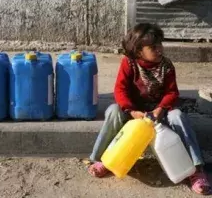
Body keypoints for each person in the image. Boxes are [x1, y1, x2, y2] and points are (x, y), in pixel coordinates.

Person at [88, 23, 211, 195]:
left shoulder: (166, 66)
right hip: (134, 112)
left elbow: (172, 92)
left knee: (178, 116)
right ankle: (103, 160)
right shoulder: (128, 64)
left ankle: (197, 170)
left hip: (160, 112)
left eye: (160, 44)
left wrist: (160, 109)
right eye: (153, 47)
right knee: (113, 111)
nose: (159, 49)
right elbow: (120, 90)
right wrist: (131, 111)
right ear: (139, 51)